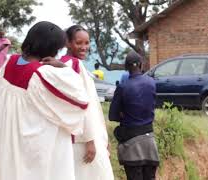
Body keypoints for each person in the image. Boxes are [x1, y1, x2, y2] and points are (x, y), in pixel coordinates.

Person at [0, 21, 89, 180]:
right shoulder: (43, 74)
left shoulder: (9, 62)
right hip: (34, 150)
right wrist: (62, 67)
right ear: (50, 49)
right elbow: (81, 99)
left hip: (7, 143)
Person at [60, 25, 114, 180]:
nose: (84, 47)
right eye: (79, 43)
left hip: (82, 137)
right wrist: (90, 140)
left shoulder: (68, 64)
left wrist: (102, 138)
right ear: (68, 43)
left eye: (87, 43)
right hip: (83, 140)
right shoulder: (74, 66)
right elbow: (81, 106)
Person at [109, 50, 159, 180]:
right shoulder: (151, 83)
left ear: (126, 68)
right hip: (149, 142)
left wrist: (124, 114)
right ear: (141, 65)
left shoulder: (122, 87)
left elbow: (112, 116)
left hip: (131, 145)